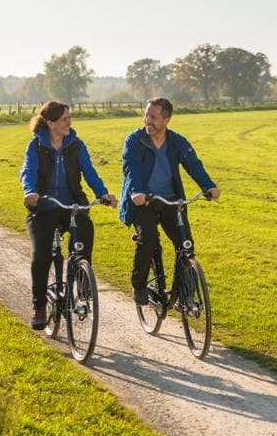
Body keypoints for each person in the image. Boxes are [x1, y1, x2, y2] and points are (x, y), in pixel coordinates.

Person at [20, 100, 117, 330]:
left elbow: (90, 172)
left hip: (72, 205)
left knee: (84, 234)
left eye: (69, 118)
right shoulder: (36, 146)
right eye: (64, 119)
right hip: (43, 207)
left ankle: (83, 284)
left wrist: (103, 194)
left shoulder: (76, 144)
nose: (69, 123)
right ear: (51, 122)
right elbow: (28, 171)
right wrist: (30, 191)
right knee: (41, 255)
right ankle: (40, 306)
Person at [120, 97, 221, 305]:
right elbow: (132, 169)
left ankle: (185, 294)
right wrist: (137, 192)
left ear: (166, 120)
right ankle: (138, 285)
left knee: (186, 245)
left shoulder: (176, 141)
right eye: (146, 115)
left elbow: (194, 165)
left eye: (153, 117)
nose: (147, 120)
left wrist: (208, 186)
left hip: (171, 202)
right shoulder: (134, 140)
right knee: (148, 238)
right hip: (142, 201)